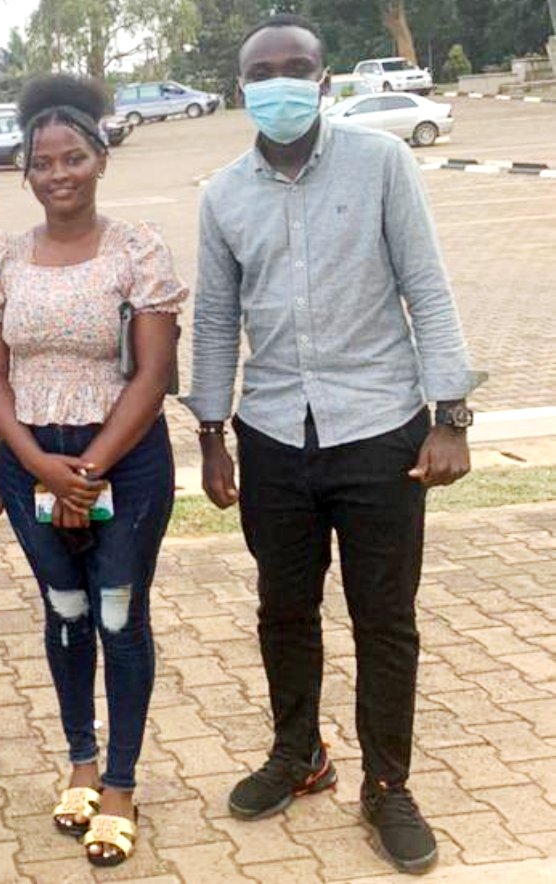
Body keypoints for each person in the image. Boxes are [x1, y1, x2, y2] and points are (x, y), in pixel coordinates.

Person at [185, 14, 483, 875]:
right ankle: (299, 754)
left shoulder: (381, 163)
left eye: (296, 68)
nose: (279, 83)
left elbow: (425, 283)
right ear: (244, 88)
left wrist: (450, 415)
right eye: (262, 72)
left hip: (381, 429)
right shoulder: (222, 194)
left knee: (385, 619)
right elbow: (213, 320)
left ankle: (387, 785)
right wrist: (211, 435)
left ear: (323, 80)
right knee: (284, 610)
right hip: (274, 431)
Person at [0, 75, 187, 867]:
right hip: (33, 457)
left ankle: (122, 782)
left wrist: (85, 473)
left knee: (119, 614)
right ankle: (82, 764)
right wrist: (35, 465)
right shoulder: (2, 259)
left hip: (122, 460)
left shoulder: (138, 250)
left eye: (74, 158)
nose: (59, 174)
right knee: (65, 610)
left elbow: (153, 373)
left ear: (100, 159)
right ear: (25, 172)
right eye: (43, 163)